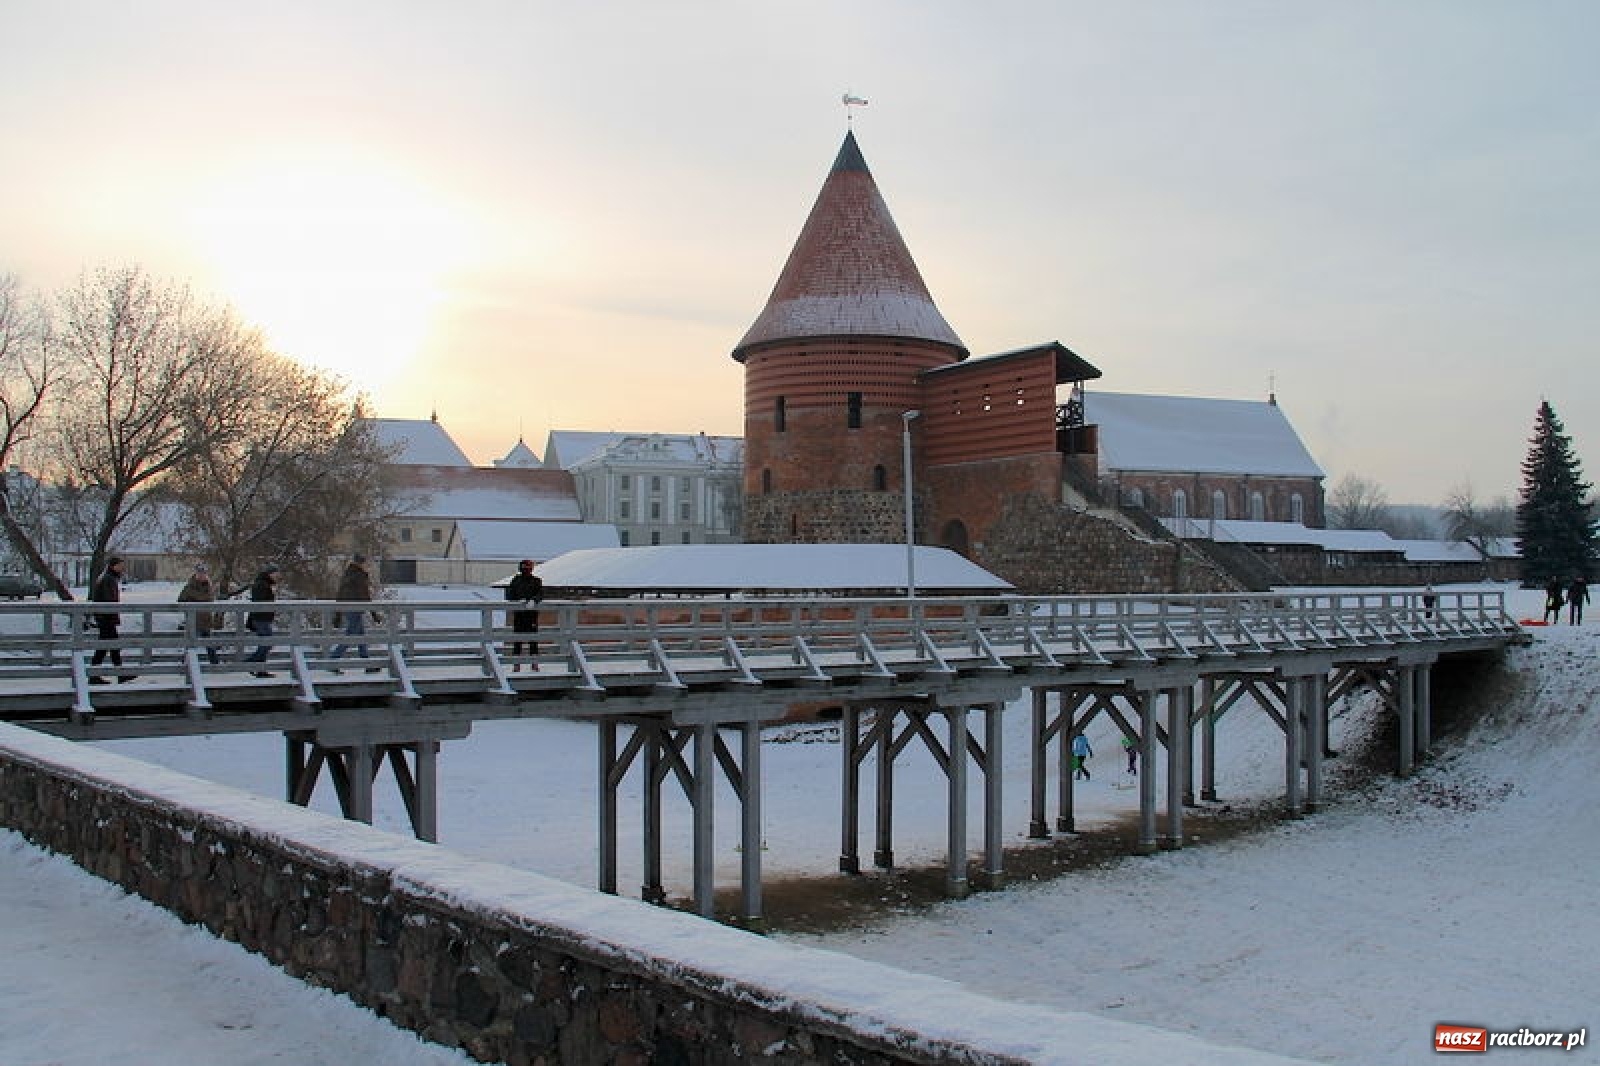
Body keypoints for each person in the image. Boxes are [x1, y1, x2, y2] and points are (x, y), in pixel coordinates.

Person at [89, 556, 134, 683]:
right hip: (106, 618)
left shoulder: (107, 578)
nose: (122, 568)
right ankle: (98, 675)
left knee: (107, 647)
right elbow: (109, 600)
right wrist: (110, 614)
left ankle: (99, 675)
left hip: (105, 617)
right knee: (108, 646)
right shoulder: (108, 579)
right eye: (119, 565)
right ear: (113, 566)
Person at [329, 553, 378, 671]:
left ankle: (367, 664)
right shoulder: (359, 576)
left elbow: (340, 594)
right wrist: (373, 613)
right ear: (361, 563)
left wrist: (338, 614)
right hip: (355, 609)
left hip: (348, 608)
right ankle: (332, 661)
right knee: (350, 636)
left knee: (361, 636)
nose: (367, 565)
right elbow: (364, 595)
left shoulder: (348, 574)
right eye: (366, 563)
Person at [176, 562, 220, 665]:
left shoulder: (209, 586)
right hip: (193, 620)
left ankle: (215, 664)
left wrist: (195, 597)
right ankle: (186, 664)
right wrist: (193, 601)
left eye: (204, 573)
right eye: (200, 573)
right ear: (196, 573)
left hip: (206, 619)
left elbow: (209, 599)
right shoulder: (189, 586)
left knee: (209, 644)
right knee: (191, 644)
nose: (202, 575)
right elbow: (181, 600)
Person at [504, 558, 544, 671]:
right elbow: (509, 595)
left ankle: (534, 664)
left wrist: (533, 601)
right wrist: (518, 602)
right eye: (524, 567)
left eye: (528, 567)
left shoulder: (536, 581)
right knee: (517, 640)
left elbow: (540, 594)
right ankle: (516, 665)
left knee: (533, 640)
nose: (526, 569)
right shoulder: (515, 580)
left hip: (531, 615)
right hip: (519, 614)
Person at [245, 563, 280, 676]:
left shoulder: (267, 583)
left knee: (265, 643)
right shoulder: (262, 584)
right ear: (269, 573)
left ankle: (260, 669)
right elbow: (260, 601)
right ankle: (250, 663)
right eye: (275, 573)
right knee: (267, 642)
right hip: (260, 618)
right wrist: (271, 592)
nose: (277, 575)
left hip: (264, 618)